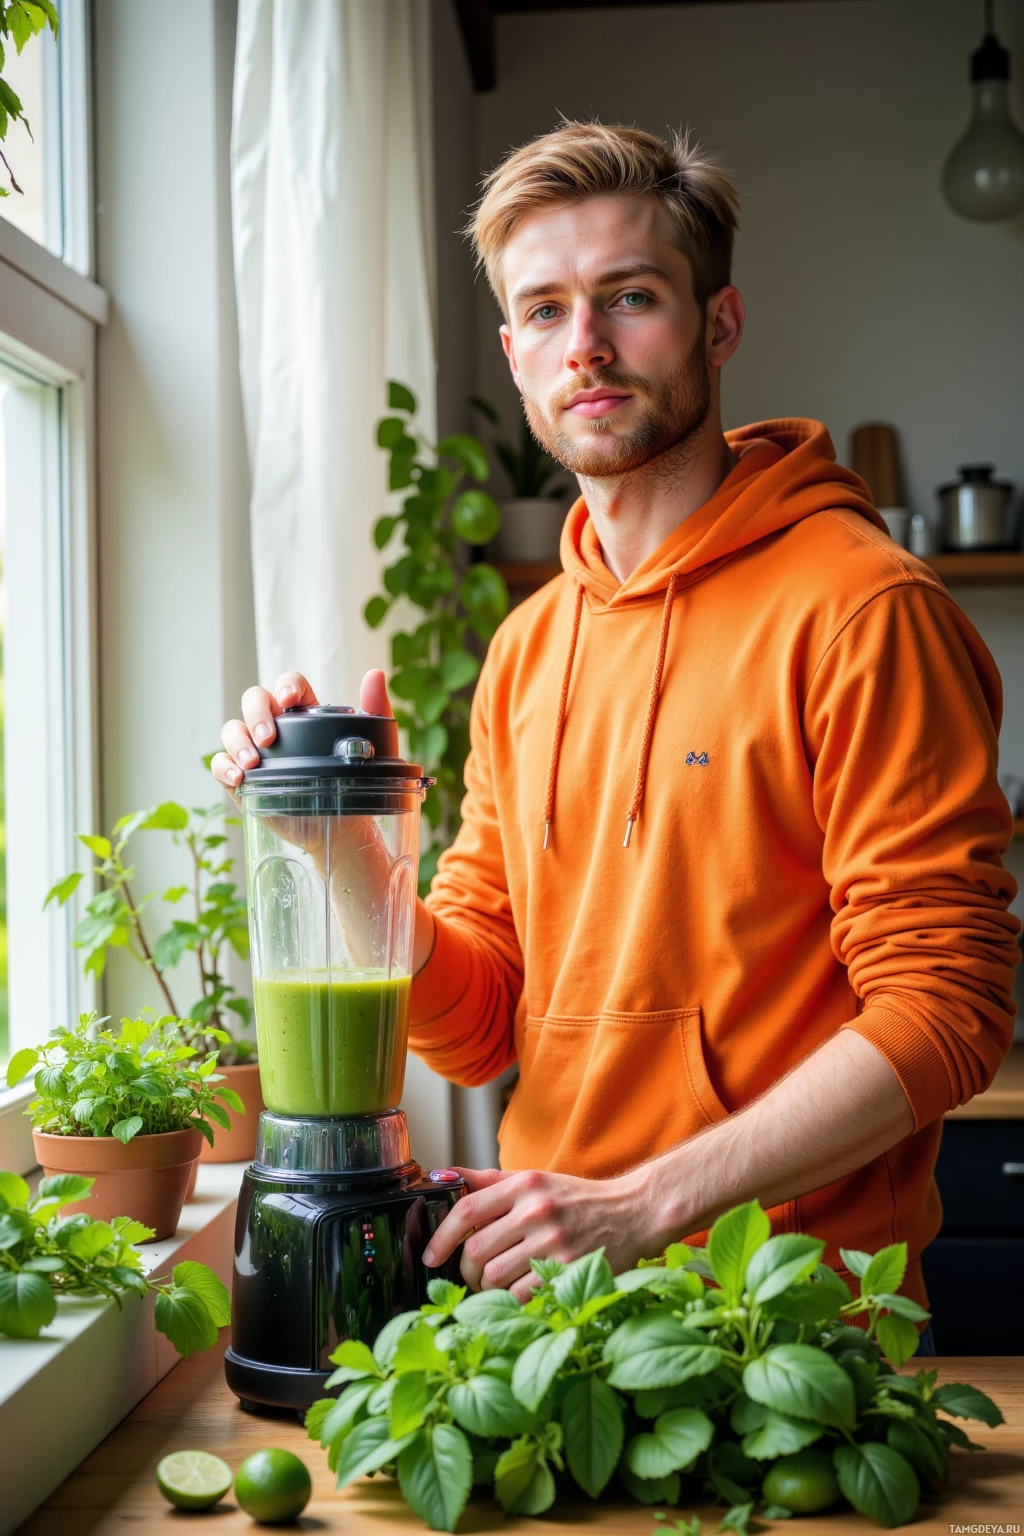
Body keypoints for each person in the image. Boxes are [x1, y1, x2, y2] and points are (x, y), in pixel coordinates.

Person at [213, 122, 1019, 1315]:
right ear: (513, 352)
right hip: (553, 1308)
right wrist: (339, 852)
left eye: (627, 298)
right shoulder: (528, 648)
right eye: (543, 312)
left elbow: (947, 1009)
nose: (583, 346)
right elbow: (481, 1026)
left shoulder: (862, 610)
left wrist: (639, 1205)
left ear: (719, 325)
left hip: (783, 1327)